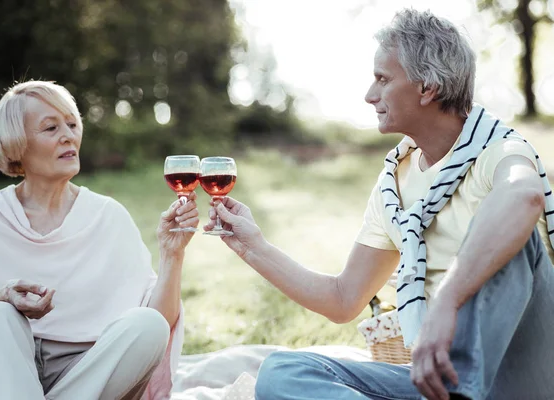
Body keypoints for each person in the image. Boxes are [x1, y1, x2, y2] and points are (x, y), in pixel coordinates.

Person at [204, 8, 554, 400]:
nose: (370, 95)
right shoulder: (395, 184)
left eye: (383, 80)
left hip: (519, 376)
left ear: (427, 88)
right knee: (283, 372)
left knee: (511, 234)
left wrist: (446, 303)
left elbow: (524, 196)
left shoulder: (501, 150)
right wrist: (253, 247)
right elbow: (342, 299)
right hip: (436, 383)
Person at [0, 81, 199, 400]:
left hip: (81, 377)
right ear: (17, 144)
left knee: (148, 324)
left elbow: (160, 322)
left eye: (72, 124)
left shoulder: (108, 216)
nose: (68, 135)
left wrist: (172, 253)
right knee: (0, 315)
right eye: (51, 128)